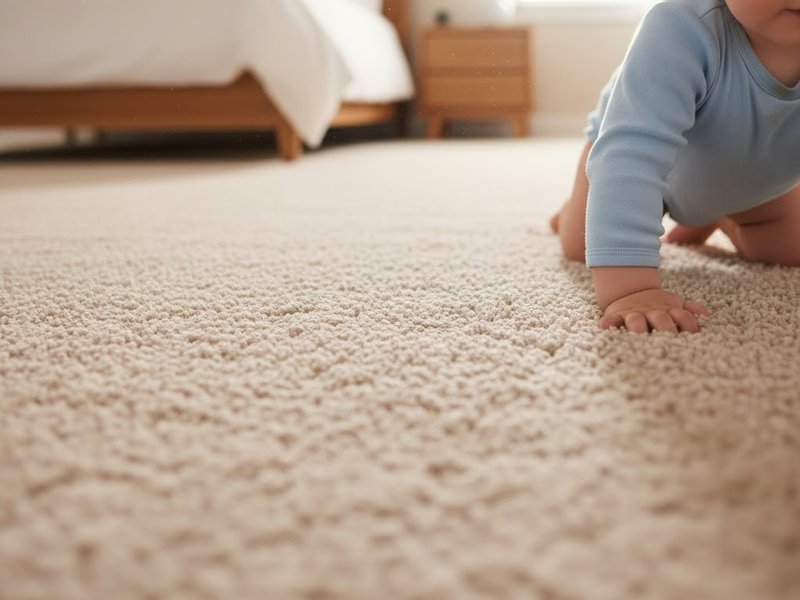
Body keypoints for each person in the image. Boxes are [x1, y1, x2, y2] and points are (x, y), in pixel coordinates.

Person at [550, 0, 800, 334]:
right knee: (582, 244)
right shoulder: (681, 29)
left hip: (755, 182)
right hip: (641, 164)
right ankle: (570, 210)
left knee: (791, 248)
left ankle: (722, 216)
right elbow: (631, 154)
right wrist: (633, 290)